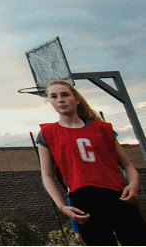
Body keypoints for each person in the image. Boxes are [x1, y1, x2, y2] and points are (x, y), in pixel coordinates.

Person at [37, 78, 146, 246]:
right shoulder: (47, 134)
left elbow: (128, 166)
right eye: (54, 96)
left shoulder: (102, 129)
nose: (60, 100)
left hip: (118, 197)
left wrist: (133, 185)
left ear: (77, 99)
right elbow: (47, 175)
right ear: (50, 102)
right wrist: (62, 207)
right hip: (83, 201)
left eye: (65, 95)